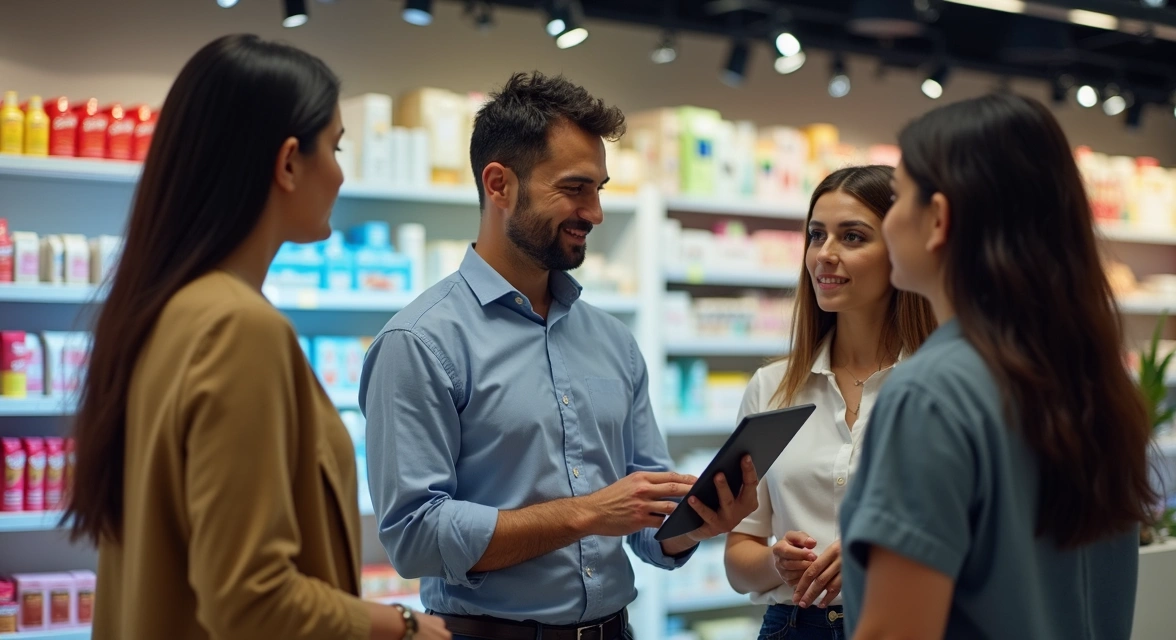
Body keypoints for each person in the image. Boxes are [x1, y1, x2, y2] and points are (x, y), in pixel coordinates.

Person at [62, 34, 448, 640]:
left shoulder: (162, 311)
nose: (342, 174)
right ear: (289, 161)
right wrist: (403, 625)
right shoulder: (238, 327)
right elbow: (251, 600)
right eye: (336, 147)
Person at [360, 71, 759, 640]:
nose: (595, 212)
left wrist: (698, 521)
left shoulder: (612, 341)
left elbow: (648, 526)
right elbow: (414, 537)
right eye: (575, 188)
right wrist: (590, 513)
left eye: (599, 188)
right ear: (499, 185)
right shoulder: (420, 343)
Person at [839, 93, 1158, 640]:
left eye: (897, 199)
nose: (889, 222)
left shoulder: (932, 394)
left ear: (938, 219)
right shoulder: (1092, 383)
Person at [721, 165, 935, 640]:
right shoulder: (772, 387)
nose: (825, 255)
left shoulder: (939, 388)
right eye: (816, 236)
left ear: (900, 250)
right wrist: (778, 564)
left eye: (853, 237)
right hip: (793, 627)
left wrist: (883, 552)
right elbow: (739, 559)